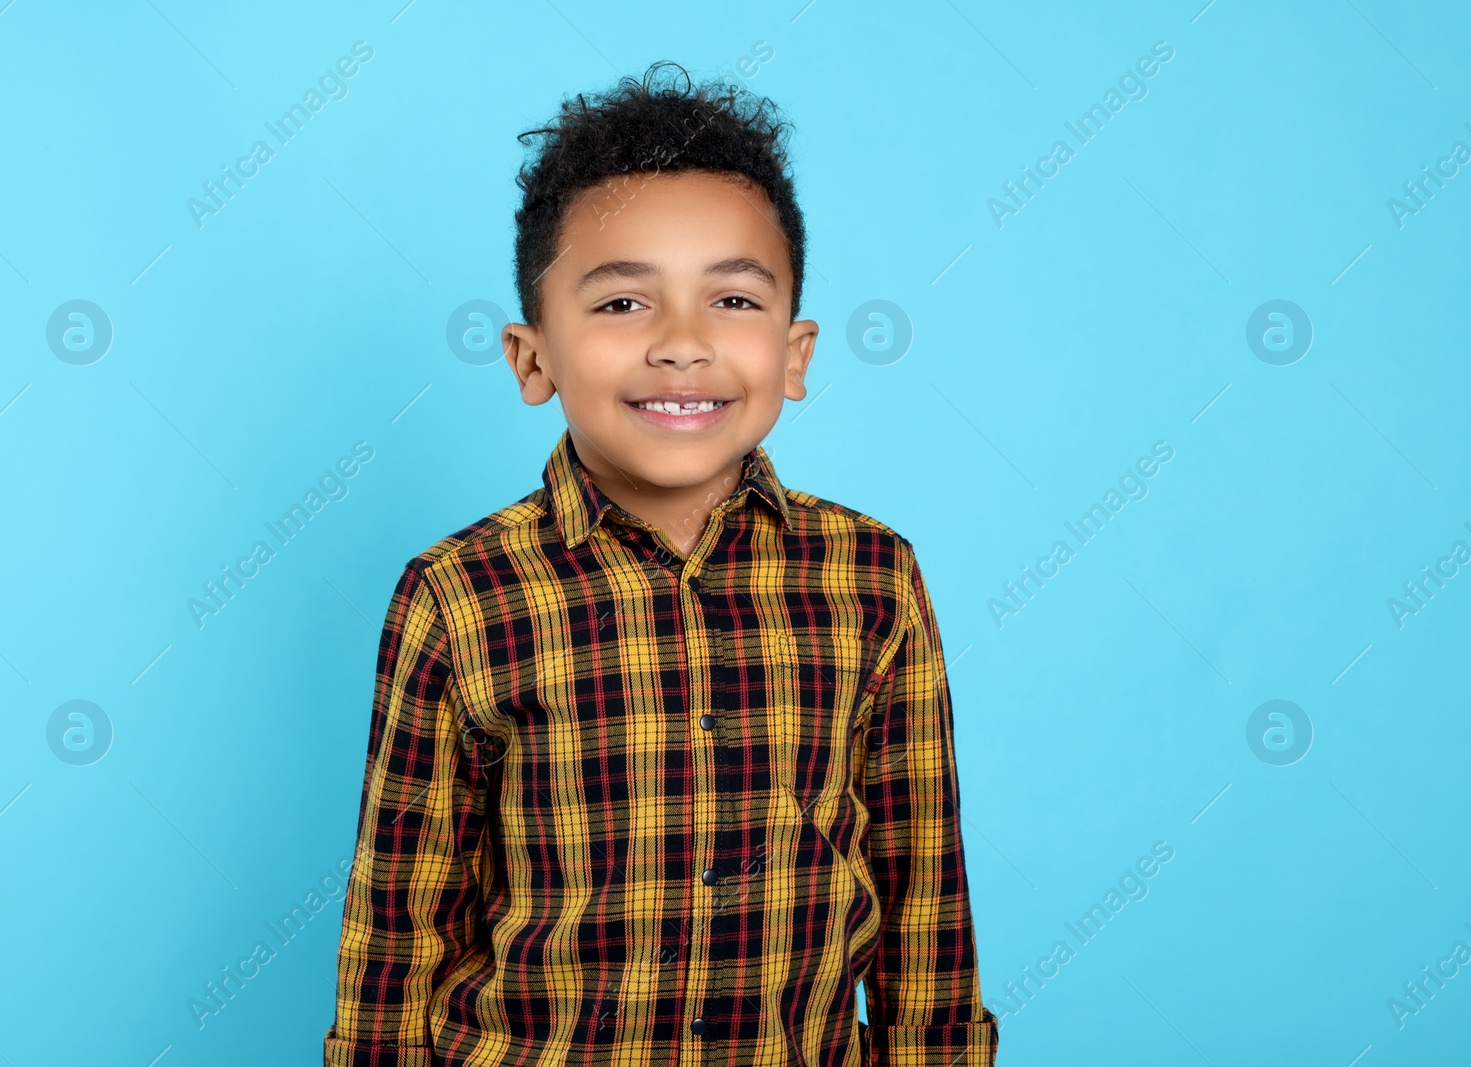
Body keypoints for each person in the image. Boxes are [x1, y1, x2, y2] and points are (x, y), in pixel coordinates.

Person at [323, 60, 998, 1066]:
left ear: (796, 352)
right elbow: (400, 922)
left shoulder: (871, 578)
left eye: (731, 298)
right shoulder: (460, 594)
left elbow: (922, 899)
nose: (682, 345)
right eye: (622, 304)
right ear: (531, 356)